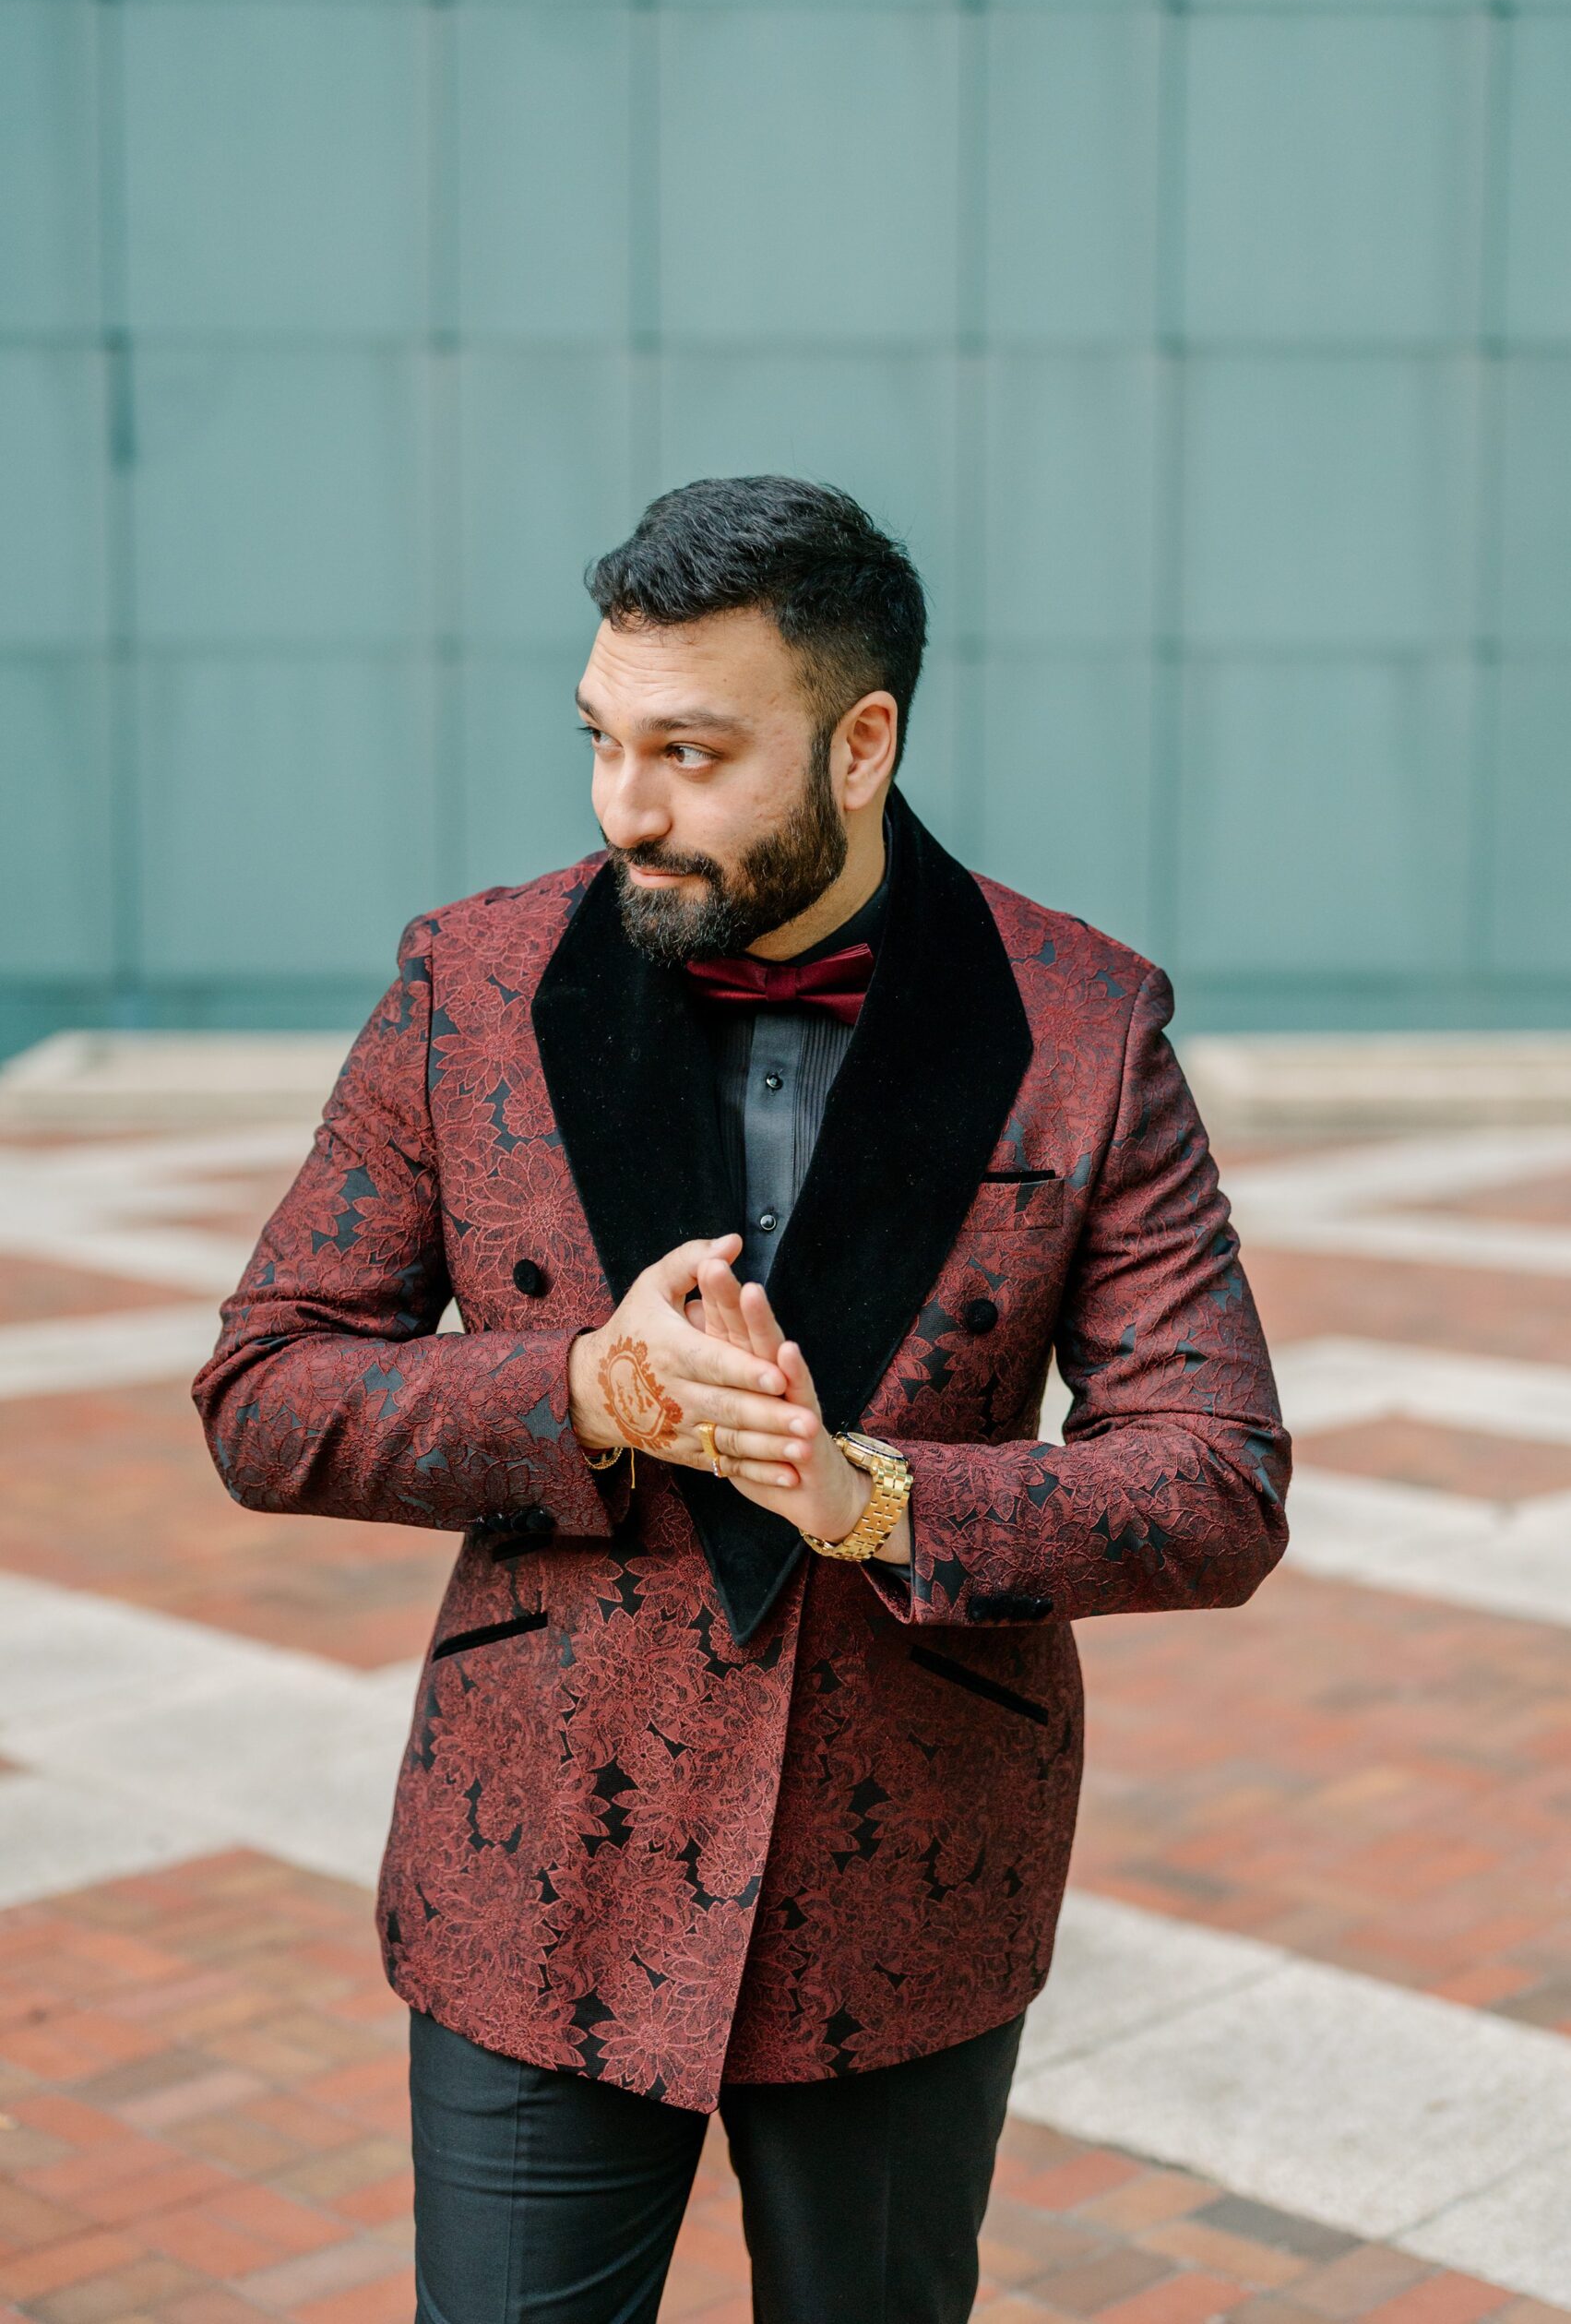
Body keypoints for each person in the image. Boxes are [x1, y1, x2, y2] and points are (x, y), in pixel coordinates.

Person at [194, 475, 1290, 2323]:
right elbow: (266, 1385)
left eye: (693, 752)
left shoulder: (1086, 1023)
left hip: (906, 1878)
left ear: (864, 741)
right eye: (605, 740)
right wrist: (585, 1386)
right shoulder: (465, 983)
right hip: (533, 1859)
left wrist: (882, 1497)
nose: (628, 802)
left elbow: (1217, 1475)